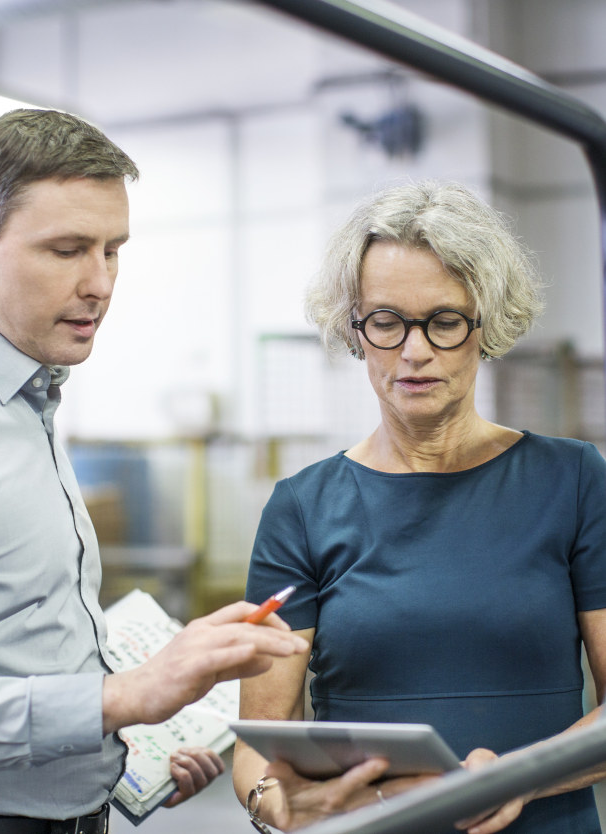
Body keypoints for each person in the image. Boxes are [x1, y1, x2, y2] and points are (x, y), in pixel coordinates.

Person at [0, 108, 308, 833]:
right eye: (66, 250)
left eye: (112, 250)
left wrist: (128, 747)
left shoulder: (23, 396)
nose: (100, 283)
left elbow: (8, 641)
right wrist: (121, 698)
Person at [232, 180, 606, 834]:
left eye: (444, 320)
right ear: (355, 330)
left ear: (486, 322)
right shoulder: (302, 507)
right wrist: (278, 806)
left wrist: (523, 776)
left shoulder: (572, 480)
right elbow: (263, 741)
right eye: (386, 321)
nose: (414, 351)